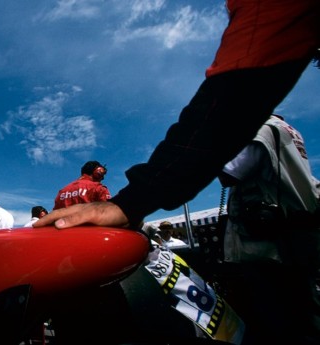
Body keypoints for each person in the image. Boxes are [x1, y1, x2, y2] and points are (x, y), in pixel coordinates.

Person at [34, 1, 320, 342]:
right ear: (94, 171)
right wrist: (131, 203)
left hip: (72, 260)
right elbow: (235, 98)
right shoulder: (283, 130)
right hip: (283, 243)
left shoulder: (63, 190)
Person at [218, 114, 319, 344]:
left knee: (277, 318)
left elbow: (229, 172)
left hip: (267, 245)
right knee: (306, 309)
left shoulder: (259, 130)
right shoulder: (288, 129)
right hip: (296, 234)